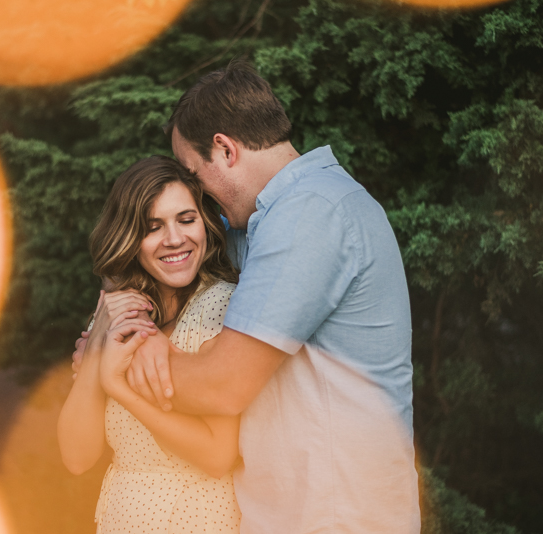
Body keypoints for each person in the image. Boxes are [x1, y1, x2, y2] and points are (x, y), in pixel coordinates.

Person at [101, 61, 421, 533]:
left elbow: (222, 385)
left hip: (337, 516)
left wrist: (130, 360)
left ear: (225, 149)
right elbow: (160, 252)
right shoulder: (265, 222)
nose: (200, 197)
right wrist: (118, 306)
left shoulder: (311, 213)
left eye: (195, 174)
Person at [58, 155, 243, 533]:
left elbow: (217, 455)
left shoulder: (221, 306)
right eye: (153, 227)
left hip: (196, 519)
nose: (175, 239)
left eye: (186, 220)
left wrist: (117, 388)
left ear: (204, 224)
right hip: (121, 517)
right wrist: (97, 339)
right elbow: (77, 457)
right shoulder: (120, 312)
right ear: (130, 237)